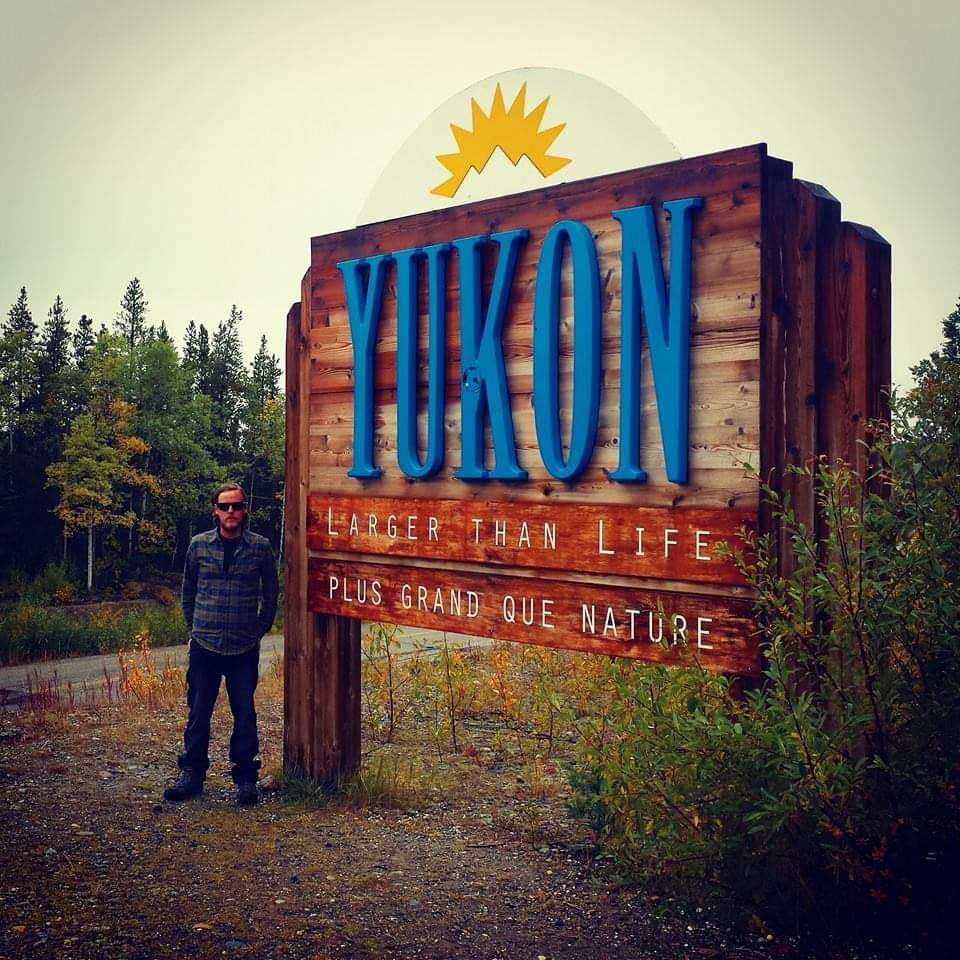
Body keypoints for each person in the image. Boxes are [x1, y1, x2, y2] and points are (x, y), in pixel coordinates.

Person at [164, 482, 279, 806]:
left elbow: (271, 594)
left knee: (245, 713)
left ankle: (245, 779)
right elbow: (187, 592)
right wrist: (192, 629)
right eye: (225, 506)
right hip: (205, 645)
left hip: (243, 648)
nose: (232, 512)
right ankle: (192, 775)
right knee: (199, 712)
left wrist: (258, 630)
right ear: (215, 510)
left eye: (237, 506)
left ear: (245, 510)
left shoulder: (260, 547)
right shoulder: (198, 546)